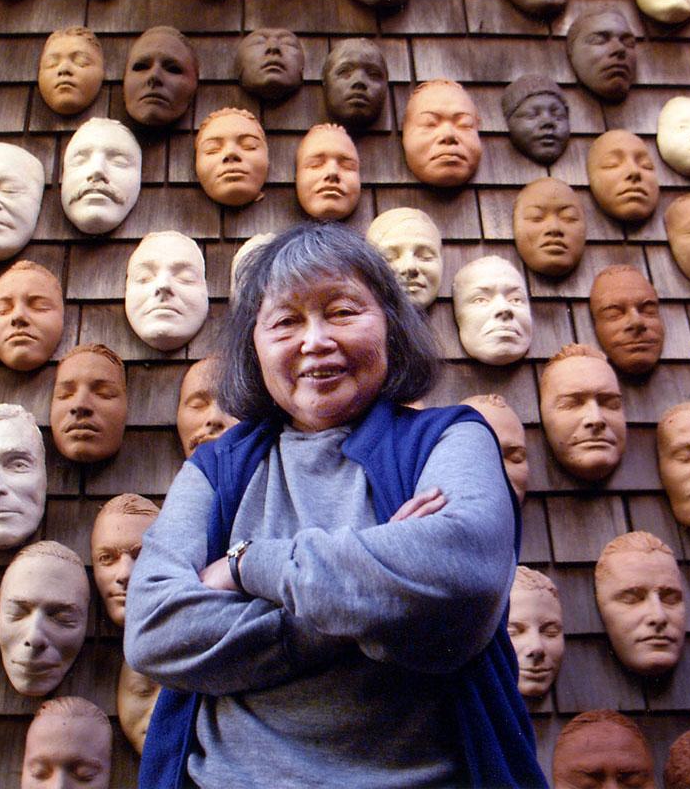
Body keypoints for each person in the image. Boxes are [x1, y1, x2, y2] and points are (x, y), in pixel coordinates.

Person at [124, 223, 542, 788]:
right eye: (286, 321)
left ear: (390, 327)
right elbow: (153, 630)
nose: (315, 340)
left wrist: (249, 565)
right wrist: (373, 596)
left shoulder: (451, 439)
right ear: (255, 344)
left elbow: (462, 580)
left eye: (342, 312)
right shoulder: (216, 469)